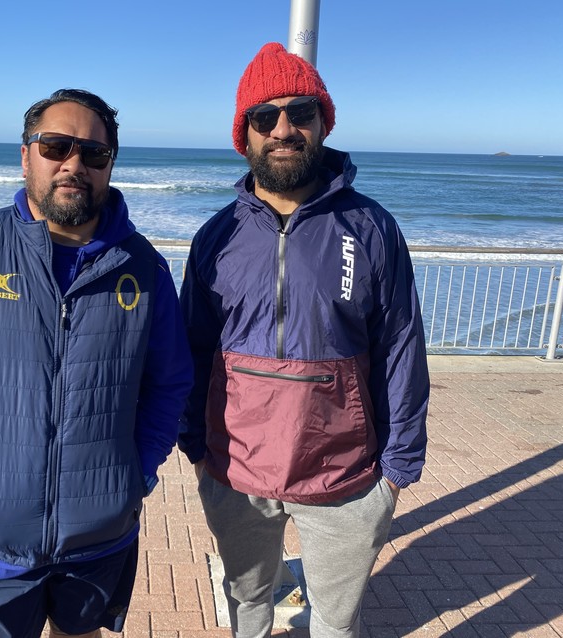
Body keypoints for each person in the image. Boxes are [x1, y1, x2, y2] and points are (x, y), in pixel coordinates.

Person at [0, 88, 193, 638]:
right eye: (55, 146)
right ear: (26, 154)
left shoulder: (144, 268)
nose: (73, 164)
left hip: (101, 531)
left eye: (94, 153)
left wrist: (137, 470)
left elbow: (169, 383)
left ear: (109, 165)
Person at [179, 43, 430, 638]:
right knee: (249, 614)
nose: (284, 129)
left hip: (345, 477)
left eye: (301, 112)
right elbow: (189, 350)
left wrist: (397, 468)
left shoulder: (370, 226)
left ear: (324, 122)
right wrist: (196, 447)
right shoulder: (216, 236)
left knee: (337, 626)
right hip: (235, 471)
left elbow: (401, 346)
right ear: (245, 134)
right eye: (265, 117)